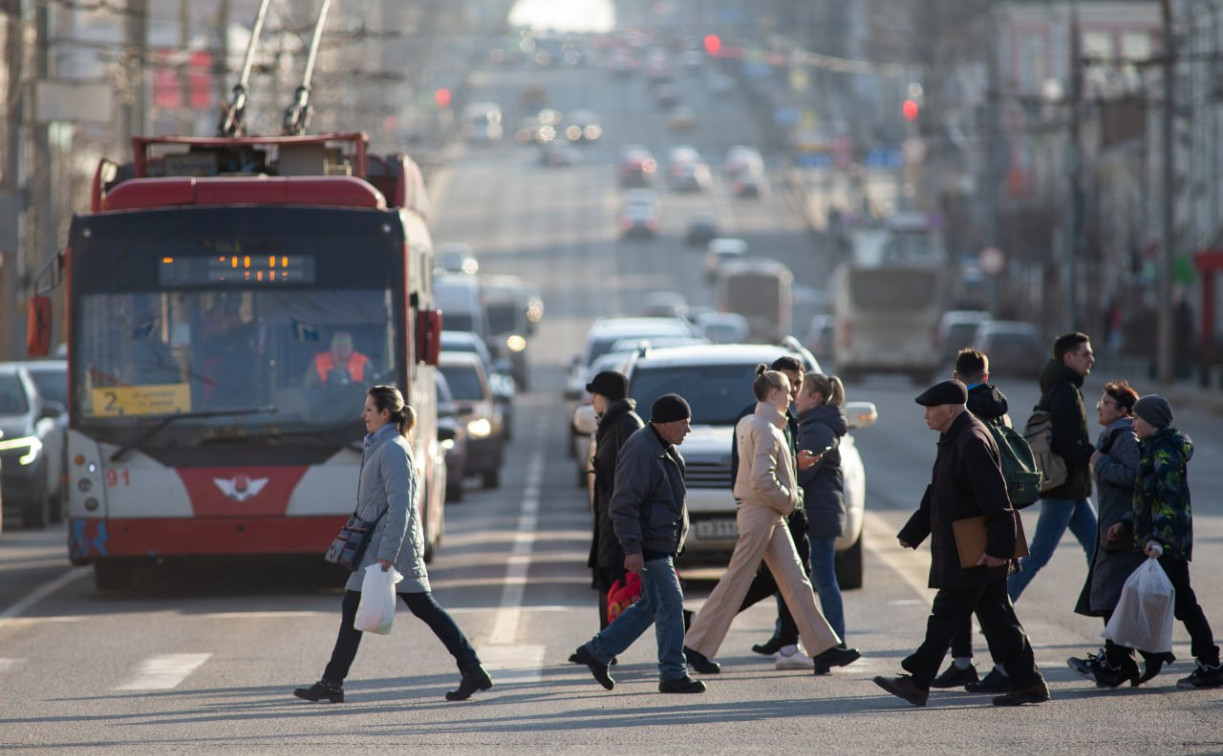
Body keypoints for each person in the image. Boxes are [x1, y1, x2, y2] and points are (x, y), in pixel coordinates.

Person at [293, 385, 493, 703]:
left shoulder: (393, 450)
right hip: (376, 546)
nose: (363, 415)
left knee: (424, 607)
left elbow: (402, 507)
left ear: (385, 413)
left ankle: (472, 669)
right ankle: (332, 681)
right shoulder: (378, 445)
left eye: (369, 409)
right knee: (358, 606)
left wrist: (387, 554)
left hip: (391, 548)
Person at [874, 380, 1048, 708]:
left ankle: (918, 681)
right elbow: (939, 491)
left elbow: (997, 499)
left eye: (931, 409)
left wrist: (998, 551)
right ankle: (1029, 682)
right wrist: (914, 530)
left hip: (976, 551)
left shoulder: (971, 441)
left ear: (951, 409)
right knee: (998, 618)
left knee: (947, 613)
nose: (926, 415)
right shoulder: (955, 437)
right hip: (970, 548)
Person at [683, 367, 860, 676]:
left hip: (768, 514)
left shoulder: (762, 423)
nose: (792, 394)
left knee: (797, 582)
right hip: (762, 513)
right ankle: (694, 647)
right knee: (736, 583)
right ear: (774, 393)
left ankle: (824, 649)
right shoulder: (765, 427)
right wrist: (790, 500)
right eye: (787, 390)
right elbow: (762, 480)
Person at [570, 394, 706, 694]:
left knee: (650, 605)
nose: (688, 430)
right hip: (649, 545)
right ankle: (673, 672)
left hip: (659, 542)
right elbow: (623, 504)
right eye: (684, 423)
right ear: (666, 424)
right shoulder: (642, 450)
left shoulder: (663, 446)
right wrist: (632, 547)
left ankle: (598, 651)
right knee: (672, 603)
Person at [930, 349, 1016, 693]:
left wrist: (999, 543)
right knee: (986, 601)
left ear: (956, 378)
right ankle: (1009, 671)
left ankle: (982, 666)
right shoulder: (1000, 410)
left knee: (976, 599)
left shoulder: (965, 418)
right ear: (986, 374)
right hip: (995, 516)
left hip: (975, 521)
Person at [1125, 396, 1222, 689]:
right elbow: (1147, 498)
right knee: (1180, 601)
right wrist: (1127, 521)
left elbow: (1170, 501)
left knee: (1173, 601)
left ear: (1152, 421)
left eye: (1137, 418)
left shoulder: (1164, 453)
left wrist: (1158, 539)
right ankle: (1199, 660)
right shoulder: (1151, 448)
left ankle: (1204, 662)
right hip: (1166, 539)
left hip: (1167, 541)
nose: (1133, 423)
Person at [729, 356, 819, 669]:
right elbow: (756, 472)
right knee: (773, 579)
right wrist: (789, 498)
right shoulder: (757, 419)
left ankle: (795, 643)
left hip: (782, 509)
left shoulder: (784, 417)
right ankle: (698, 630)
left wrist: (793, 464)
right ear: (772, 386)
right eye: (787, 383)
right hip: (771, 509)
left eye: (798, 383)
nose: (793, 390)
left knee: (792, 578)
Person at [1067, 381, 1154, 687]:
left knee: (1111, 597)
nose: (1099, 407)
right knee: (1110, 596)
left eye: (1106, 402)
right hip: (1113, 529)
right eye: (1101, 401)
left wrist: (1099, 462)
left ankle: (1120, 661)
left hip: (1123, 530)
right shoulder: (1114, 435)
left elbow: (1136, 476)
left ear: (1123, 411)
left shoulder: (1125, 437)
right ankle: (1122, 661)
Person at [1007, 332, 1098, 601]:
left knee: (1098, 549)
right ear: (1068, 357)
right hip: (1063, 487)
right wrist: (1094, 455)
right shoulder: (1065, 391)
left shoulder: (1060, 386)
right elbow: (1064, 443)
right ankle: (1000, 604)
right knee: (1039, 554)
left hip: (1074, 488)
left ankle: (1107, 608)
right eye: (1085, 354)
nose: (1091, 359)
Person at [582, 370, 644, 630]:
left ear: (606, 396)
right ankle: (603, 644)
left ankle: (691, 626)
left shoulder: (627, 425)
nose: (592, 401)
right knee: (611, 588)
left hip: (619, 522)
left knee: (627, 592)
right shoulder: (611, 423)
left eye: (595, 395)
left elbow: (633, 479)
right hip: (609, 520)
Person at [793, 372, 849, 647]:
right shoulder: (813, 423)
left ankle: (835, 640)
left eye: (800, 390)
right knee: (818, 578)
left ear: (814, 398)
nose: (795, 396)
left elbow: (804, 473)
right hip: (820, 511)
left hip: (820, 513)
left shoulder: (817, 429)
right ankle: (828, 639)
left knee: (824, 579)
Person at [305, 331, 370, 387]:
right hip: (326, 397)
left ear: (352, 346)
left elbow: (372, 390)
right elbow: (308, 390)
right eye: (337, 343)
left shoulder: (364, 362)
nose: (341, 347)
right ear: (331, 346)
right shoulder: (317, 363)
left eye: (345, 343)